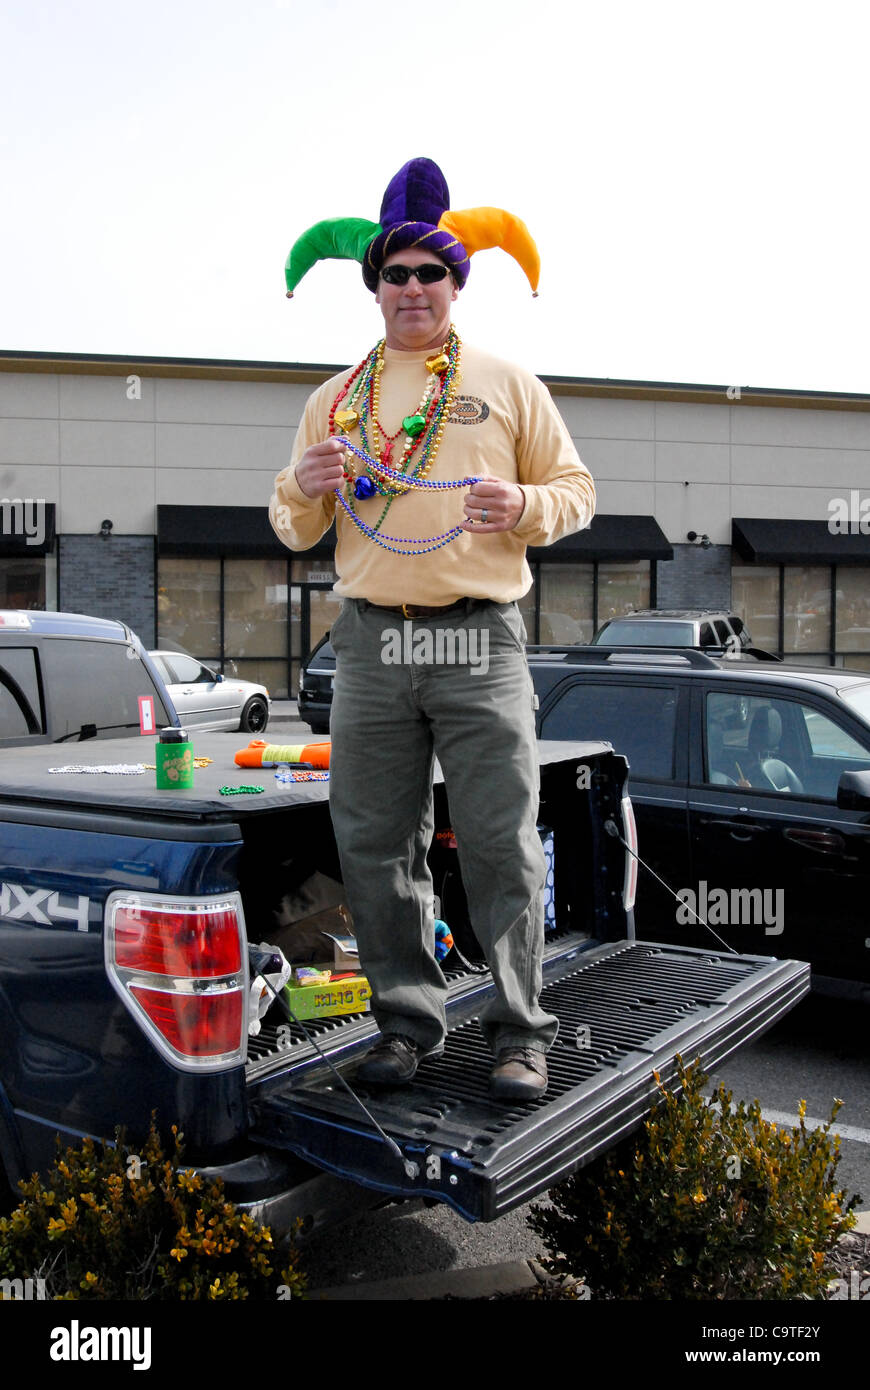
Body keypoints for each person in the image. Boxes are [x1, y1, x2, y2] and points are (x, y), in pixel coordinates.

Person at [269, 158, 595, 1101]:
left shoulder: (506, 383)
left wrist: (523, 501)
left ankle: (519, 1031)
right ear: (373, 285)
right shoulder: (334, 398)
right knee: (374, 843)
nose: (413, 288)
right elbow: (290, 525)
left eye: (430, 273)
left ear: (456, 282)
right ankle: (406, 1024)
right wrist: (305, 486)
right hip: (370, 643)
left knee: (501, 842)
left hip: (478, 639)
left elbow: (576, 493)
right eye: (396, 273)